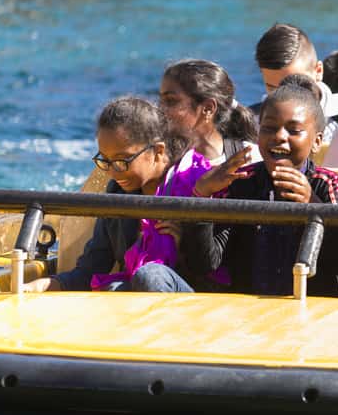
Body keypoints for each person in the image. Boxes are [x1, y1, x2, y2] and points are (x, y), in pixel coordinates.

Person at [24, 97, 206, 294]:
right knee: (112, 288)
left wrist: (184, 246)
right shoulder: (117, 195)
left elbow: (213, 269)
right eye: (106, 161)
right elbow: (90, 271)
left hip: (196, 303)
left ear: (158, 151)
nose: (113, 172)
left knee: (150, 276)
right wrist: (42, 285)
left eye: (121, 161)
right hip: (141, 294)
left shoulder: (194, 185)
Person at [191, 82, 338, 297]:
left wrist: (313, 205)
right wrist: (202, 195)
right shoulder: (241, 181)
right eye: (268, 128)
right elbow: (207, 263)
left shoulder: (328, 183)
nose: (279, 136)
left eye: (294, 130)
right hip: (251, 311)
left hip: (314, 310)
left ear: (316, 142)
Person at [251, 22, 338, 142]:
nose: (283, 99)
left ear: (318, 71)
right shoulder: (252, 123)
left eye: (294, 87)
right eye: (273, 89)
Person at [159, 59, 258, 166]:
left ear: (208, 108)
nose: (160, 109)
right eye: (161, 100)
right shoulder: (160, 162)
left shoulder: (250, 158)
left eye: (171, 101)